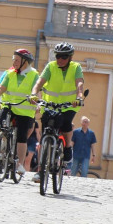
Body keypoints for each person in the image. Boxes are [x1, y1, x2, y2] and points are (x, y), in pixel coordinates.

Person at [30, 42, 85, 183]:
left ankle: (67, 148)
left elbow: (79, 84)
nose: (60, 59)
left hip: (68, 106)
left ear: (70, 57)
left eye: (64, 57)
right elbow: (39, 83)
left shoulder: (76, 68)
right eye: (58, 56)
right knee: (44, 136)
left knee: (66, 123)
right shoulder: (51, 66)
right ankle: (40, 170)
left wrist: (79, 97)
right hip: (50, 105)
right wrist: (34, 94)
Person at [0, 48, 39, 179]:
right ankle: (3, 147)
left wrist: (35, 99)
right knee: (2, 126)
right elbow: (1, 87)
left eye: (17, 60)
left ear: (25, 62)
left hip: (24, 111)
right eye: (14, 59)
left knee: (22, 137)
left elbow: (37, 89)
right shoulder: (9, 72)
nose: (14, 62)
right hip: (8, 106)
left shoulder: (34, 74)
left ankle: (19, 164)